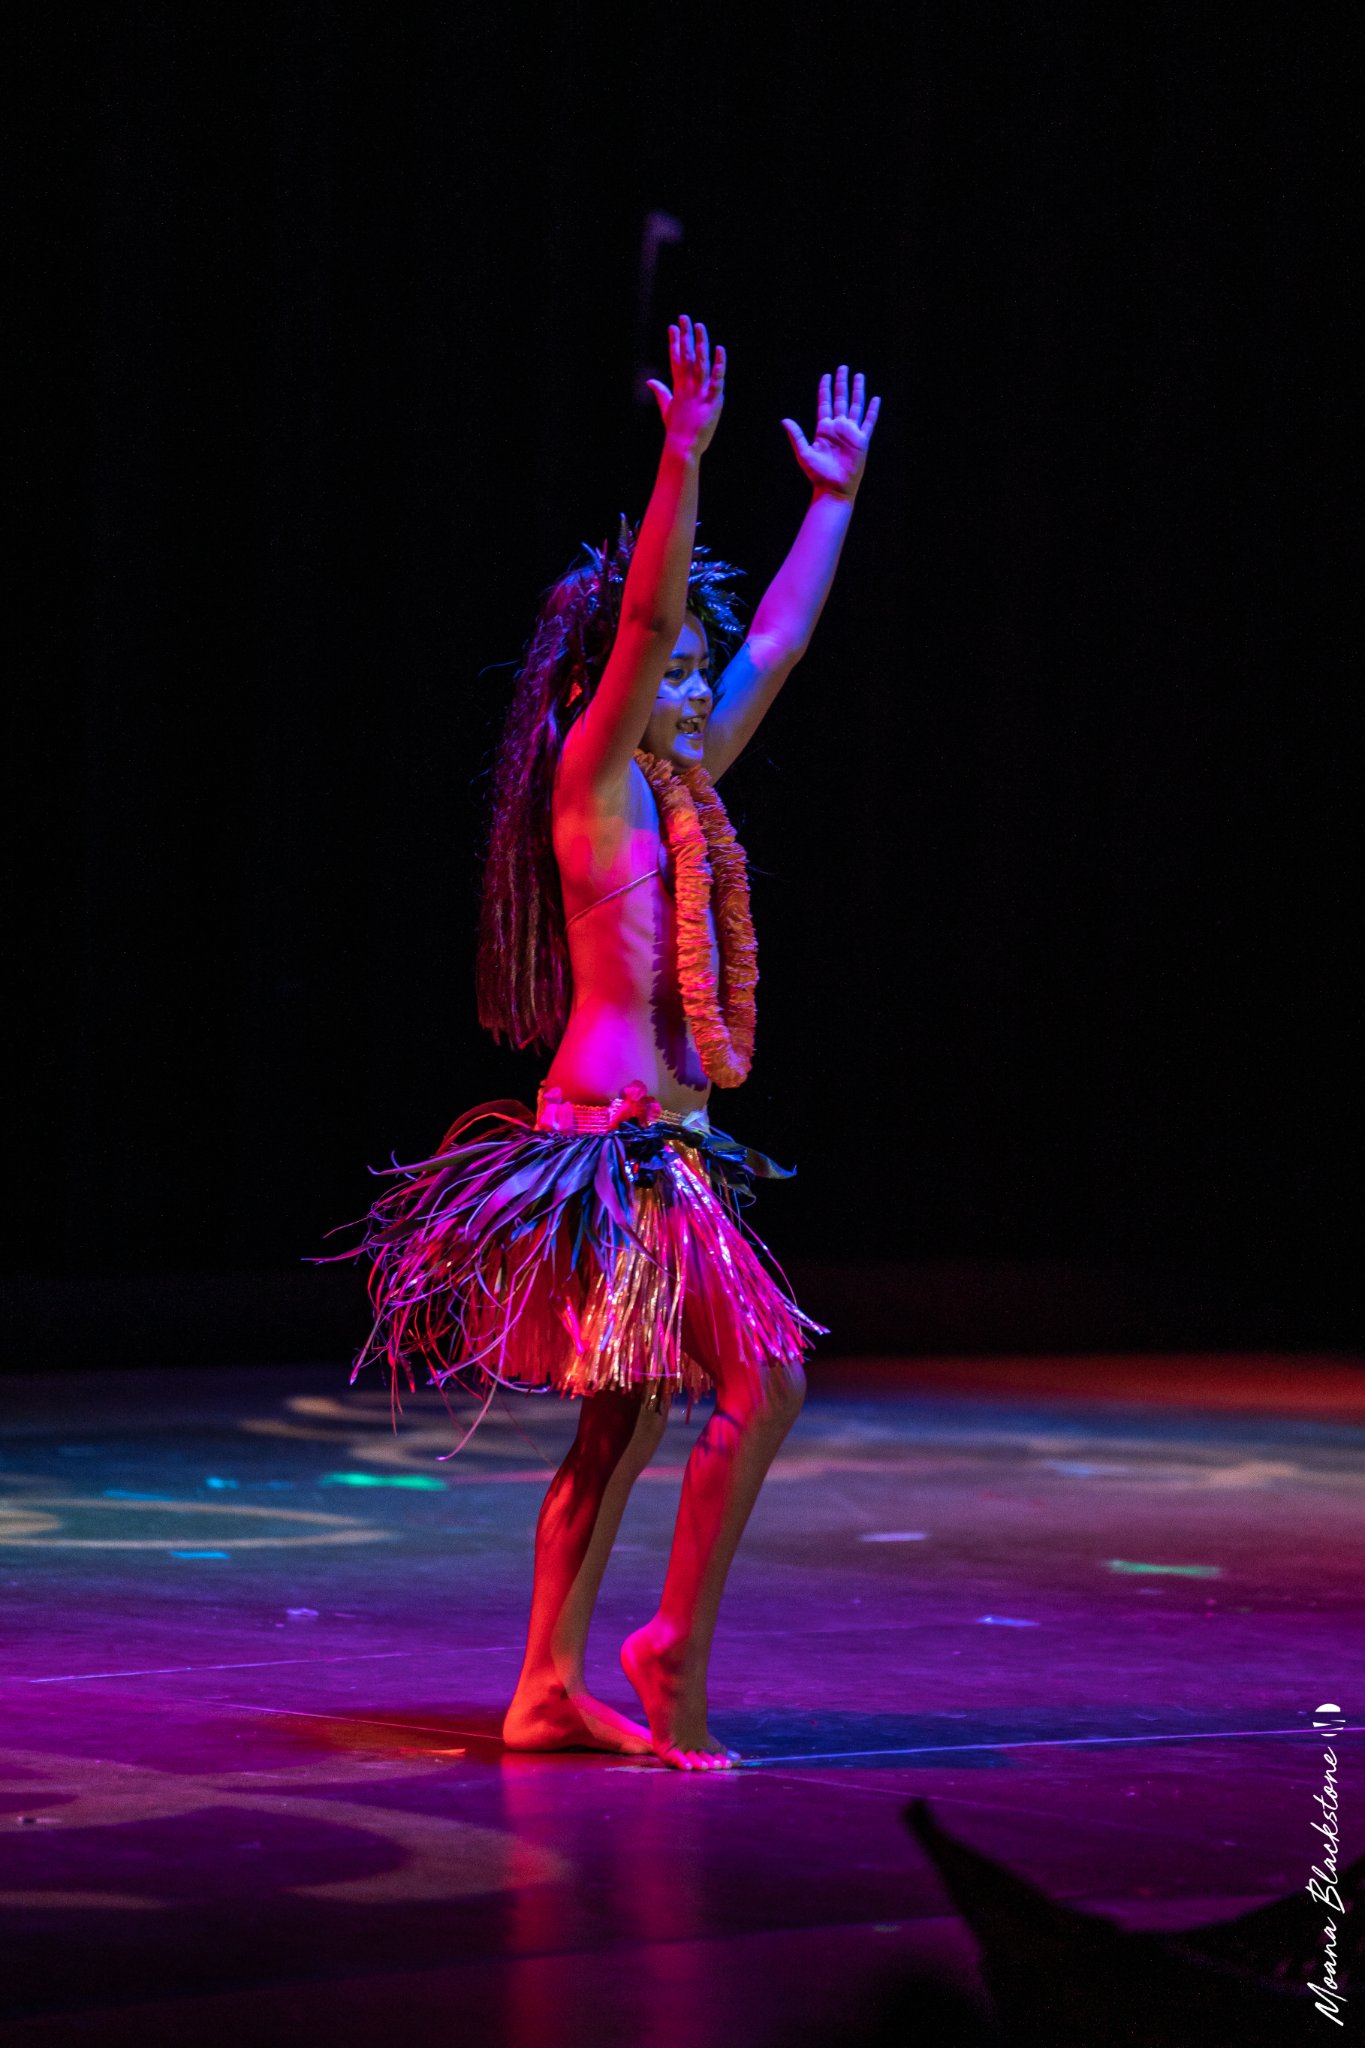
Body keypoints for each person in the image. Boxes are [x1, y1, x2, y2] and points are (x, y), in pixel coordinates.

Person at [345, 316, 879, 1769]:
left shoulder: (681, 783)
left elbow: (774, 644)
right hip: (617, 1152)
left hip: (675, 1149)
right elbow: (645, 628)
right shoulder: (594, 783)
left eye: (702, 678)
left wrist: (831, 502)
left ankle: (546, 1684)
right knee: (757, 1383)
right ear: (606, 689)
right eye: (675, 676)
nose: (699, 694)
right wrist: (683, 456)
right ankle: (664, 1655)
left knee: (629, 1424)